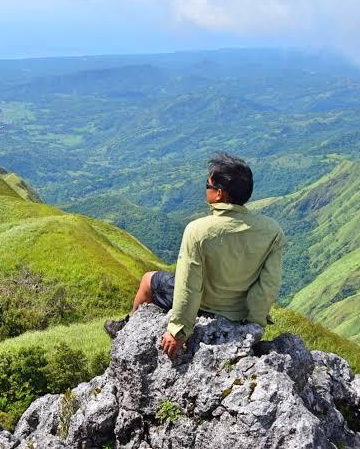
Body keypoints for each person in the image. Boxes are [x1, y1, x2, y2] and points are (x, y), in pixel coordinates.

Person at [104, 152, 285, 360]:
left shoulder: (197, 231)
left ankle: (128, 329)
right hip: (240, 311)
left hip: (204, 304)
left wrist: (178, 330)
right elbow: (268, 285)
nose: (205, 190)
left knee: (148, 280)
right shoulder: (272, 231)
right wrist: (254, 325)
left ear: (219, 194)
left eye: (208, 186)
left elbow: (189, 284)